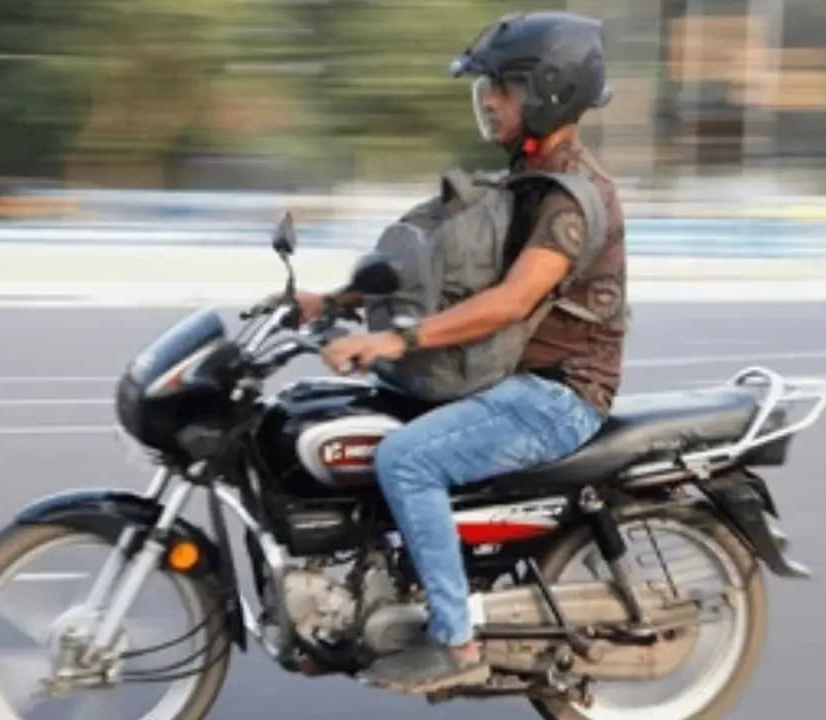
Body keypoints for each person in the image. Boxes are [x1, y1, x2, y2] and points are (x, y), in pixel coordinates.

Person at [295, 11, 628, 694]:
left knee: (405, 459)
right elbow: (447, 275)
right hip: (513, 374)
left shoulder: (571, 197)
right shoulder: (529, 175)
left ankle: (456, 642)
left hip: (557, 394)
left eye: (502, 87)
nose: (489, 101)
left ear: (548, 91)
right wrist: (334, 303)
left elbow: (508, 301)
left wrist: (398, 338)